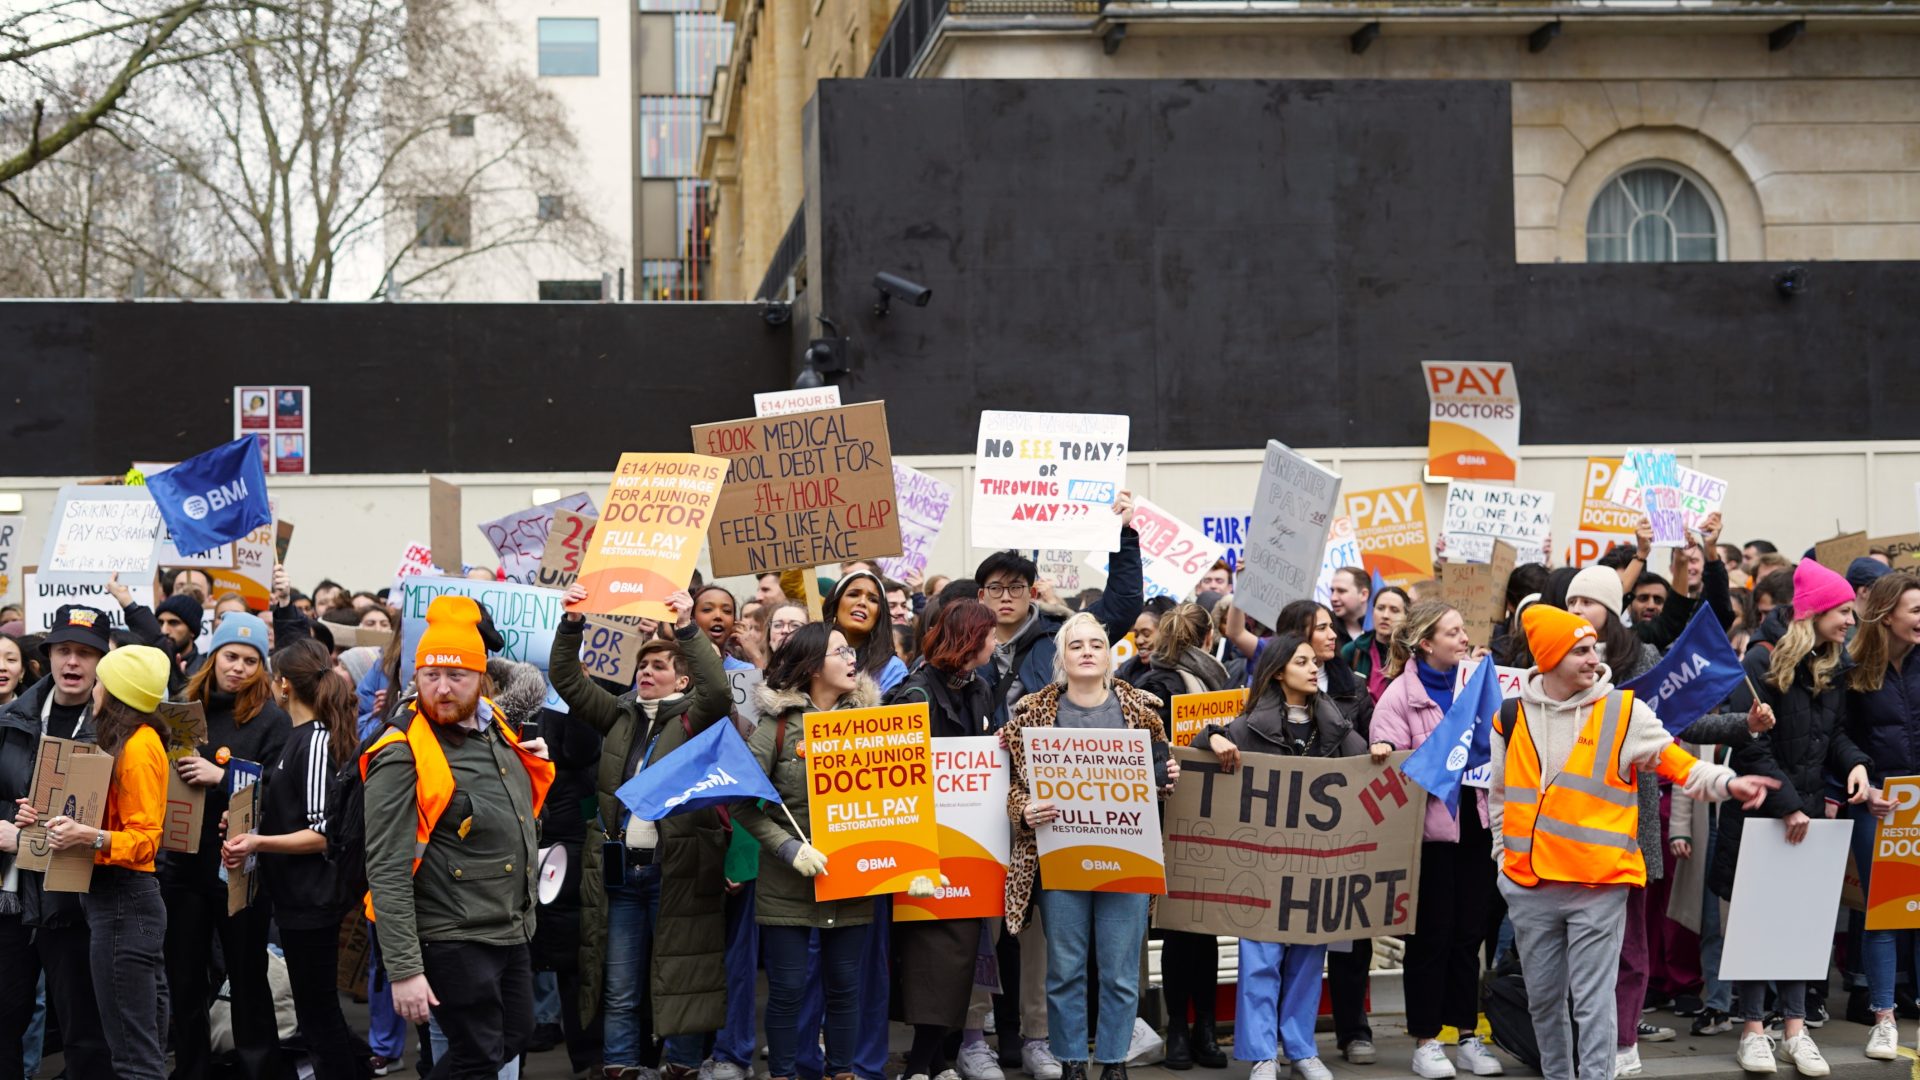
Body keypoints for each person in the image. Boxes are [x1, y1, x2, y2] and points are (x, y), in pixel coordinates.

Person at [1489, 605, 1774, 1080]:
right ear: (1549, 657)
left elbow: (1679, 764)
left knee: (1594, 1003)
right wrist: (1503, 860)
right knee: (1542, 1001)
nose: (1593, 658)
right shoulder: (1511, 715)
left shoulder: (1625, 710)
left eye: (1592, 648)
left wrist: (1727, 782)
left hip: (1599, 887)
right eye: (1579, 650)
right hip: (1529, 885)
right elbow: (1499, 797)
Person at [361, 595, 555, 1077]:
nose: (442, 689)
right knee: (478, 1055)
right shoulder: (402, 751)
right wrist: (405, 969)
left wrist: (531, 762)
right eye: (431, 676)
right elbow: (386, 869)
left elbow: (518, 820)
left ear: (481, 677)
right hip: (450, 934)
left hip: (506, 926)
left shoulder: (497, 729)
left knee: (516, 1035)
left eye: (456, 676)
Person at [550, 584, 731, 1080]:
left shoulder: (698, 718)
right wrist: (572, 624)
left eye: (657, 667)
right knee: (620, 985)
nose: (645, 673)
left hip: (678, 873)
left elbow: (717, 689)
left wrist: (688, 624)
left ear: (682, 679)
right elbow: (567, 679)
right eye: (642, 667)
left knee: (682, 976)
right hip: (622, 877)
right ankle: (621, 1068)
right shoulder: (619, 716)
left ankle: (683, 1068)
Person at [1710, 558, 1871, 1074]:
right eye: (1844, 610)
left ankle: (1795, 1031)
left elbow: (1836, 735)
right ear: (1817, 610)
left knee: (1801, 924)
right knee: (1761, 924)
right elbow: (1749, 746)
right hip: (1764, 814)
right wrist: (1788, 807)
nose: (1850, 619)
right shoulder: (1761, 662)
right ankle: (1754, 1031)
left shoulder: (1835, 663)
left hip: (1806, 817)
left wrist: (1857, 766)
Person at [1004, 613, 1174, 1080]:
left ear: (1109, 655)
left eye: (1096, 644)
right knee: (1065, 971)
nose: (1086, 652)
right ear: (1061, 657)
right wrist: (1025, 810)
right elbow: (1016, 787)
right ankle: (1073, 1061)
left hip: (1127, 857)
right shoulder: (1032, 713)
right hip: (1062, 858)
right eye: (1075, 645)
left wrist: (1167, 779)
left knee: (1120, 973)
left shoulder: (1142, 710)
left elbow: (1160, 774)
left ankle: (1114, 1061)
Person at [1192, 631, 1363, 1080]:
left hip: (1316, 865)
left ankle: (1302, 1048)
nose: (1313, 668)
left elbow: (1364, 765)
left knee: (1309, 957)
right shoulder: (1249, 726)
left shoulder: (1336, 726)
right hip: (1262, 868)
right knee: (1260, 959)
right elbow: (1198, 747)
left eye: (1314, 662)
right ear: (1279, 670)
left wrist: (1378, 749)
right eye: (1302, 661)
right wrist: (1212, 739)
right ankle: (1263, 1052)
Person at [732, 622, 881, 1080]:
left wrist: (906, 860)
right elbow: (741, 800)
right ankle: (781, 1073)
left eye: (851, 652)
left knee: (845, 987)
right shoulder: (776, 727)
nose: (852, 659)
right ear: (814, 665)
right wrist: (787, 847)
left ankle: (842, 1072)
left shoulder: (871, 727)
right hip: (788, 885)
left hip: (851, 880)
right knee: (788, 990)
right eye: (841, 652)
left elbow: (898, 802)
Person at [1366, 602, 1503, 1080]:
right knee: (1431, 938)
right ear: (1426, 643)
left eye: (1463, 630)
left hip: (1477, 825)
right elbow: (1396, 774)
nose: (1463, 638)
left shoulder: (1478, 684)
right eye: (1453, 632)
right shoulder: (1398, 697)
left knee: (1469, 937)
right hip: (1428, 838)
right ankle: (1426, 1041)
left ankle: (1466, 1034)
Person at [23, 644, 170, 1078]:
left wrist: (92, 836)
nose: (95, 686)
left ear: (119, 691)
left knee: (132, 1053)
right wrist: (49, 816)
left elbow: (145, 841)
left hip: (125, 900)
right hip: (117, 901)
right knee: (139, 1046)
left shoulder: (140, 747)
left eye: (103, 679)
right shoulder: (125, 740)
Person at [223, 637, 365, 1079]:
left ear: (283, 684)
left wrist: (257, 843)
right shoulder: (297, 736)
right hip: (294, 898)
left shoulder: (316, 738)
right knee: (316, 1012)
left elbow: (323, 834)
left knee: (319, 1014)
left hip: (313, 901)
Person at [163, 611, 291, 1080]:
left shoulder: (271, 720)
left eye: (250, 660)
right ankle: (192, 1069)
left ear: (263, 667)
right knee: (185, 977)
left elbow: (280, 793)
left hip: (242, 870)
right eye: (230, 656)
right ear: (213, 656)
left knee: (247, 976)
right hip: (183, 867)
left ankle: (259, 1069)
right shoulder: (184, 709)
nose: (237, 667)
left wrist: (224, 776)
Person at [0, 607, 119, 1080]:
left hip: (79, 904)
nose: (73, 662)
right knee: (5, 1020)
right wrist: (8, 825)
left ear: (103, 662)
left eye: (86, 653)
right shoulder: (12, 718)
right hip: (10, 900)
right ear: (46, 656)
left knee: (85, 1033)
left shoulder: (117, 726)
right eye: (64, 650)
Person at [887, 600, 998, 1080]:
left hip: (969, 843)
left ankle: (933, 1061)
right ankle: (923, 1063)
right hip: (926, 845)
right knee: (933, 956)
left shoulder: (981, 688)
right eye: (990, 635)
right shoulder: (914, 694)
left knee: (958, 955)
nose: (996, 644)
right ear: (971, 640)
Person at [1125, 602, 1231, 1071]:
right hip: (1174, 820)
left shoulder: (1216, 681)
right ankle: (1183, 1032)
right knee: (1182, 930)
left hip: (1205, 819)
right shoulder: (1159, 685)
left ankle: (1199, 1030)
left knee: (1199, 930)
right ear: (1207, 639)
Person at [976, 491, 1144, 727]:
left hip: (1051, 758)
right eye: (996, 588)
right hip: (988, 760)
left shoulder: (1063, 636)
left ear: (1032, 594)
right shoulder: (965, 646)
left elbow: (1123, 603)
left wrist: (1122, 534)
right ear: (982, 595)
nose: (1005, 597)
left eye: (1015, 587)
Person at [1845, 572, 1920, 1059]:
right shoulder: (1852, 668)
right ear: (1888, 613)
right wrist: (1863, 780)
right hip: (1883, 803)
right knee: (1885, 911)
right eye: (1915, 610)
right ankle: (1884, 1018)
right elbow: (1839, 735)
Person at [825, 570, 909, 692]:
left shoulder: (893, 669)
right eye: (853, 594)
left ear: (879, 614)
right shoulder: (812, 657)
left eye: (873, 600)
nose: (862, 602)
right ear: (835, 605)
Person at [1342, 586, 1410, 704]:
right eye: (1380, 608)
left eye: (1394, 610)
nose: (1385, 615)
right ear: (1372, 612)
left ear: (1406, 617)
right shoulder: (1353, 650)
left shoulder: (1412, 657)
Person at [1327, 567, 1371, 647]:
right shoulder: (1325, 628)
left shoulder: (1380, 628)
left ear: (1363, 595)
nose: (1333, 598)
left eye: (1341, 591)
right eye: (1332, 591)